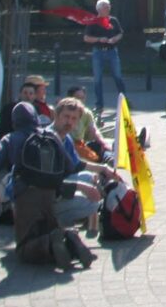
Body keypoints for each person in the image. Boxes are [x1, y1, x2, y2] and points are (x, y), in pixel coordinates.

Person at [0, 102, 96, 269]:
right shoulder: (51, 136)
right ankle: (68, 236)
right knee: (48, 230)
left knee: (24, 249)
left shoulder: (10, 140)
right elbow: (70, 166)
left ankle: (52, 240)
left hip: (25, 197)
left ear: (15, 121)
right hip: (50, 196)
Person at [47, 97, 120, 229]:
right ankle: (58, 228)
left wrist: (103, 169)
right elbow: (48, 183)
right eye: (66, 116)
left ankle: (88, 224)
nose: (69, 122)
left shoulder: (65, 137)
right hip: (41, 199)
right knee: (92, 204)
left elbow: (77, 165)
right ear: (56, 116)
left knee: (90, 178)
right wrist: (81, 187)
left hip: (55, 188)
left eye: (74, 118)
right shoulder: (48, 140)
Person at [84, 0, 127, 119]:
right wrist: (99, 39)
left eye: (108, 7)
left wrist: (115, 39)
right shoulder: (93, 21)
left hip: (112, 51)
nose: (108, 9)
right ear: (99, 9)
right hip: (98, 52)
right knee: (97, 79)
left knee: (118, 76)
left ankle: (124, 101)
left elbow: (120, 33)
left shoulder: (113, 20)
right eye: (105, 7)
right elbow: (86, 38)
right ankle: (99, 105)